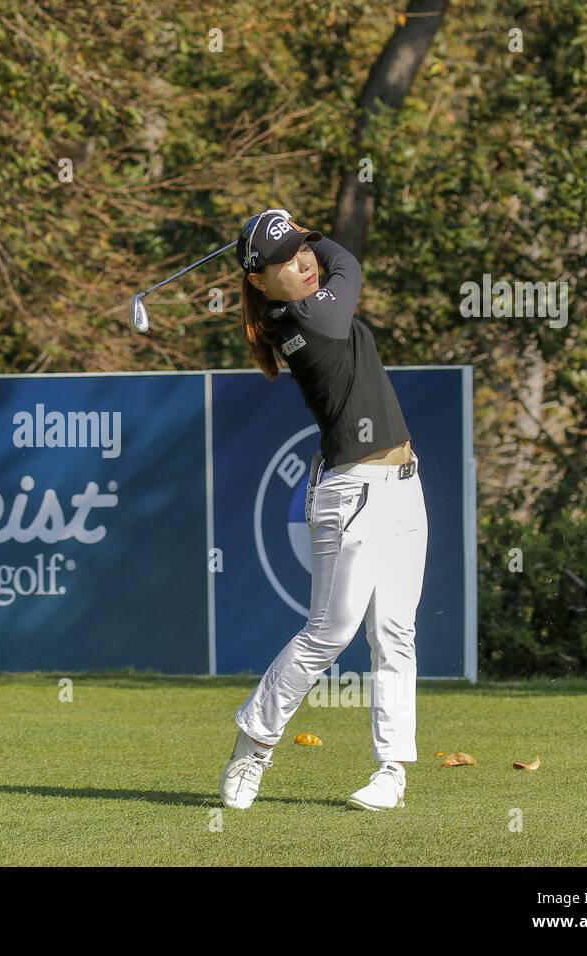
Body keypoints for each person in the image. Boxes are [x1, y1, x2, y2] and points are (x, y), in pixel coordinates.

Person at [219, 208, 429, 812]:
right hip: (352, 491)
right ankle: (254, 743)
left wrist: (290, 228)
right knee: (329, 633)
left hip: (403, 487)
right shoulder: (306, 318)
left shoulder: (309, 303)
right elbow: (349, 263)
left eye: (304, 250)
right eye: (286, 260)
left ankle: (392, 771)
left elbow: (333, 261)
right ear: (260, 282)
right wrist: (304, 226)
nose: (304, 261)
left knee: (395, 634)